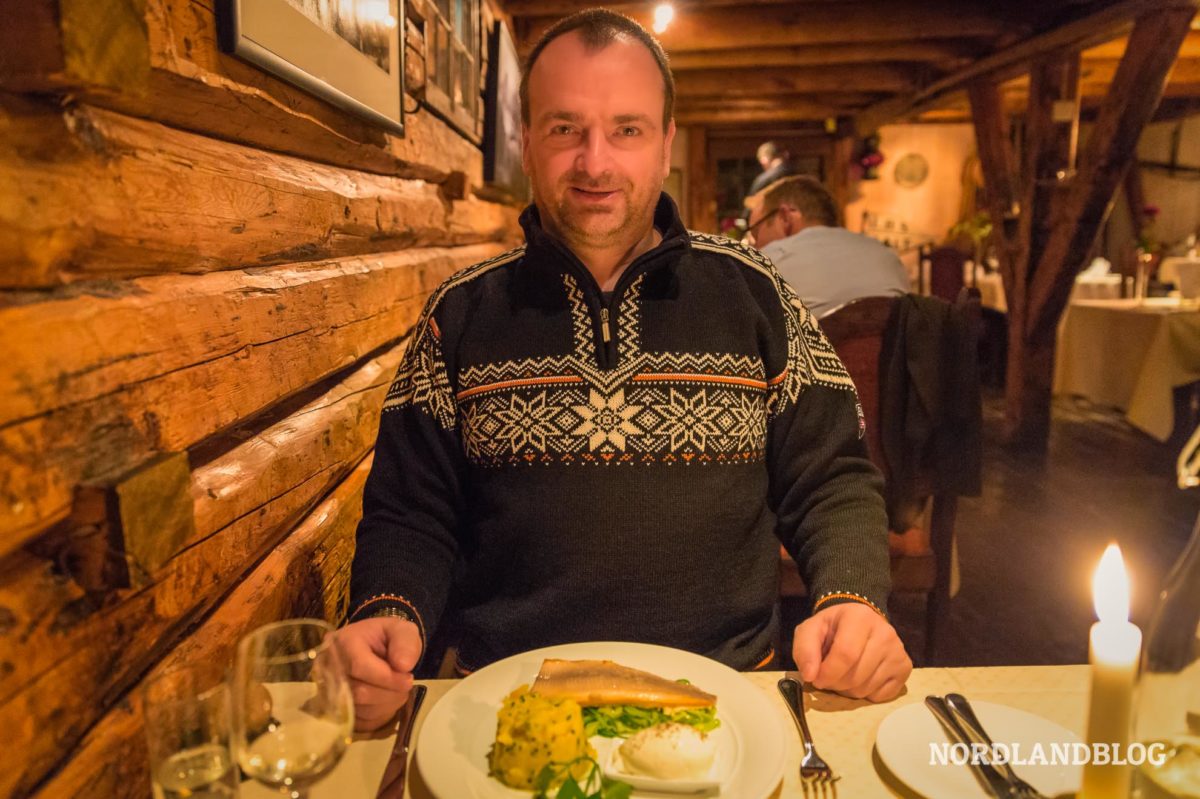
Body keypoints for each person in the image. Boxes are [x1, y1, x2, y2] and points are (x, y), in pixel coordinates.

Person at [336, 9, 912, 732]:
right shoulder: (457, 317)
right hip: (501, 711)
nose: (596, 162)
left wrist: (851, 599)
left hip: (729, 707)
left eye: (628, 129)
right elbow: (410, 514)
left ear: (666, 142)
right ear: (526, 140)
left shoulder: (757, 295)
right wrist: (389, 610)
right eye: (565, 128)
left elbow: (832, 480)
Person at [746, 176, 911, 318]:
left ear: (785, 217)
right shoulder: (887, 257)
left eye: (756, 231)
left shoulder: (767, 264)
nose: (754, 243)